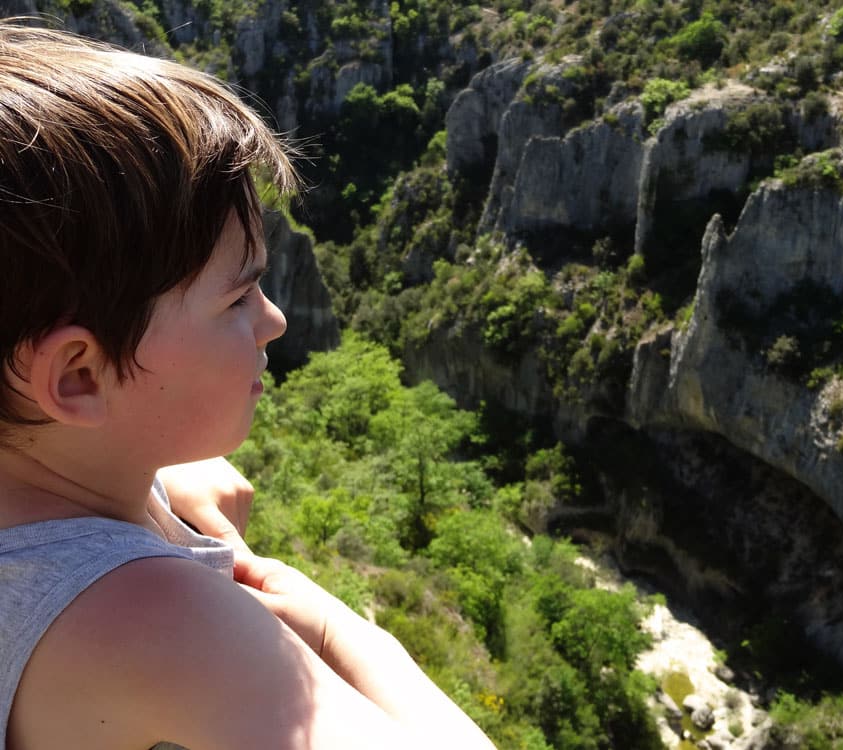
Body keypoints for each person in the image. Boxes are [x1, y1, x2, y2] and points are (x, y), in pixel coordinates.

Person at [0, 21, 497, 750]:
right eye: (237, 299)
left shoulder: (52, 478)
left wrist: (157, 488)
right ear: (77, 377)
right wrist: (342, 630)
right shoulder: (156, 620)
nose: (275, 319)